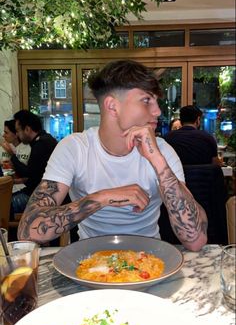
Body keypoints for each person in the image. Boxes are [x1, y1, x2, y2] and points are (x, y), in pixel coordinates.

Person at [18, 60, 207, 251]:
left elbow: (196, 240)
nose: (157, 111)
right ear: (112, 106)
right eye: (146, 100)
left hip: (150, 261)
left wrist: (157, 161)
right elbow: (28, 231)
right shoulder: (75, 148)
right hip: (89, 263)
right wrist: (103, 197)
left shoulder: (162, 150)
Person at [10, 110, 57, 214]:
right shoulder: (45, 139)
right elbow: (36, 174)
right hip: (42, 192)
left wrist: (12, 156)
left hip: (42, 197)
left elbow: (28, 172)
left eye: (18, 131)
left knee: (6, 204)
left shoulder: (41, 144)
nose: (17, 135)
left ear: (27, 129)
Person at [0, 119, 31, 193]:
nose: (3, 135)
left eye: (6, 132)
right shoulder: (3, 148)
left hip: (23, 189)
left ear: (15, 134)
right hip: (5, 187)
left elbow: (30, 176)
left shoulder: (29, 149)